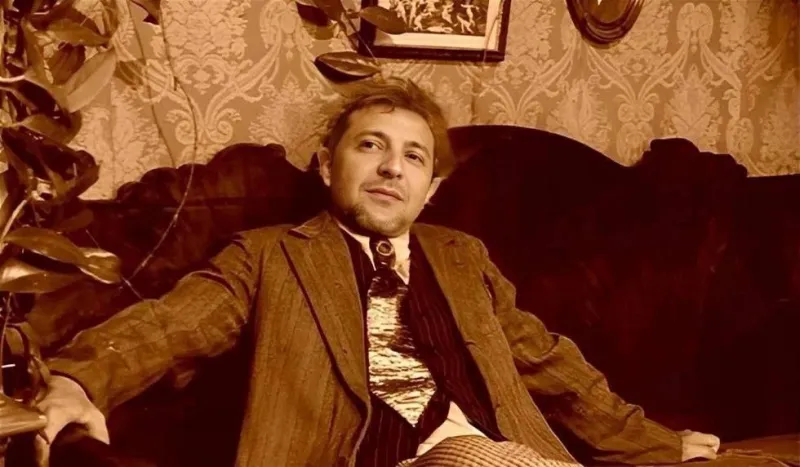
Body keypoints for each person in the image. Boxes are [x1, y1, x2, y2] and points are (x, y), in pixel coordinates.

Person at [34, 77, 720, 467]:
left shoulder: (463, 257)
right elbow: (169, 326)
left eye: (414, 157)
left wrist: (658, 444)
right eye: (371, 146)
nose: (393, 167)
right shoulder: (269, 254)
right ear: (326, 165)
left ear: (430, 189)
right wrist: (75, 380)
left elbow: (552, 366)